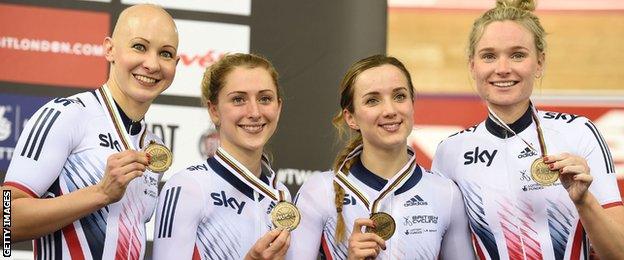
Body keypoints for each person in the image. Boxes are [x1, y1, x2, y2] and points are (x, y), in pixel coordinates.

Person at [431, 1, 624, 259]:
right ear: (472, 65)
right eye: (489, 56)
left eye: (517, 55)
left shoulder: (579, 132)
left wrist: (584, 201)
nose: (502, 69)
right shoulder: (450, 152)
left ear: (540, 63)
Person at [1, 4, 179, 259]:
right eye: (139, 47)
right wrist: (100, 193)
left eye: (165, 53)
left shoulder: (153, 146)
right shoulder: (67, 115)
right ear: (110, 49)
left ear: (176, 63)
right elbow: (3, 222)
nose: (152, 64)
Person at [288, 55, 474, 260]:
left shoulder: (446, 194)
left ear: (412, 104)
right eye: (372, 100)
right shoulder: (319, 191)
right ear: (351, 117)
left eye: (399, 96)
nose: (390, 110)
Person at [152, 53, 292, 260]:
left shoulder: (281, 196)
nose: (254, 112)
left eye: (265, 99)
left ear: (278, 108)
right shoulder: (187, 187)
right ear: (214, 110)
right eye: (238, 99)